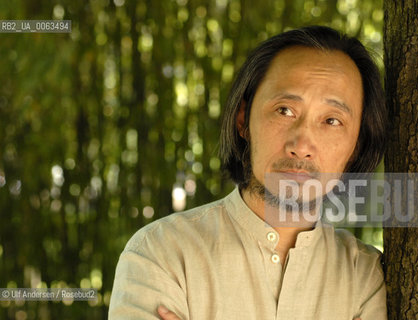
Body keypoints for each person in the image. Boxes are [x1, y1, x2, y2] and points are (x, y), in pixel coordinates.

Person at [109, 25, 388, 320]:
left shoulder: (363, 277)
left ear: (357, 146)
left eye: (332, 120)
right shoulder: (163, 255)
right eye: (285, 110)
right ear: (244, 120)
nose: (302, 145)